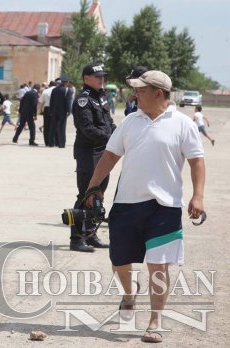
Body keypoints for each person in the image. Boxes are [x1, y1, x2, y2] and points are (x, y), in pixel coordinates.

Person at [84, 70, 205, 343]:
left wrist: (198, 196)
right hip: (127, 203)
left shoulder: (183, 124)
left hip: (165, 206)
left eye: (140, 89)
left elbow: (197, 161)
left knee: (158, 265)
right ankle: (129, 294)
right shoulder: (130, 122)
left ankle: (155, 320)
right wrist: (93, 185)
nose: (135, 94)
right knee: (119, 261)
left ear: (158, 93)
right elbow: (110, 155)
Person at [69, 63, 116, 252]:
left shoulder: (102, 96)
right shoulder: (83, 100)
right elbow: (87, 129)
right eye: (97, 76)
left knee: (98, 195)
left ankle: (90, 233)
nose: (101, 79)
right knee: (84, 195)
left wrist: (116, 135)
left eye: (103, 76)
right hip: (88, 153)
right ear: (86, 78)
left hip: (104, 151)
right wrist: (111, 137)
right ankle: (76, 238)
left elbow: (108, 122)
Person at [49, 76, 73, 148]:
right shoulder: (68, 90)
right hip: (63, 111)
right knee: (62, 127)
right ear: (67, 82)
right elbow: (68, 102)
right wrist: (69, 111)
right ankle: (61, 144)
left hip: (54, 110)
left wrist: (51, 110)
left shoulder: (54, 89)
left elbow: (51, 101)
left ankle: (51, 143)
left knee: (52, 127)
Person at [38, 81, 56, 146]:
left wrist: (39, 111)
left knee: (46, 126)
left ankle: (47, 142)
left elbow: (40, 102)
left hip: (47, 109)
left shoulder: (45, 91)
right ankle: (53, 142)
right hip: (54, 109)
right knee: (53, 126)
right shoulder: (57, 91)